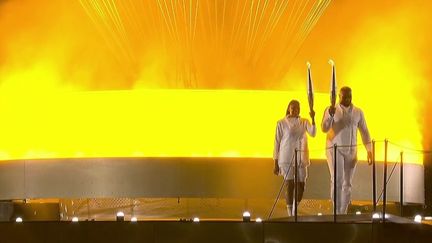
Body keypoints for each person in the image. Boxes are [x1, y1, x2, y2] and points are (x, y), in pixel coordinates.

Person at [321, 86, 373, 214]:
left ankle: (342, 212)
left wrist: (369, 150)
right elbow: (324, 128)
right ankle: (336, 211)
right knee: (337, 179)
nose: (348, 99)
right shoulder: (330, 109)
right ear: (339, 96)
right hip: (334, 149)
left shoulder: (358, 112)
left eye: (350, 96)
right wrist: (330, 116)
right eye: (344, 96)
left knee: (347, 183)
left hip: (351, 151)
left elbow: (364, 131)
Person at [273, 100, 316, 216]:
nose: (295, 109)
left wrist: (313, 119)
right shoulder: (281, 123)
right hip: (286, 157)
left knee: (301, 183)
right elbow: (276, 142)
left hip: (301, 158)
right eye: (292, 107)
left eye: (297, 107)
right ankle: (290, 213)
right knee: (289, 184)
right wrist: (275, 162)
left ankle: (295, 208)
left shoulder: (304, 121)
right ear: (288, 108)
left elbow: (313, 133)